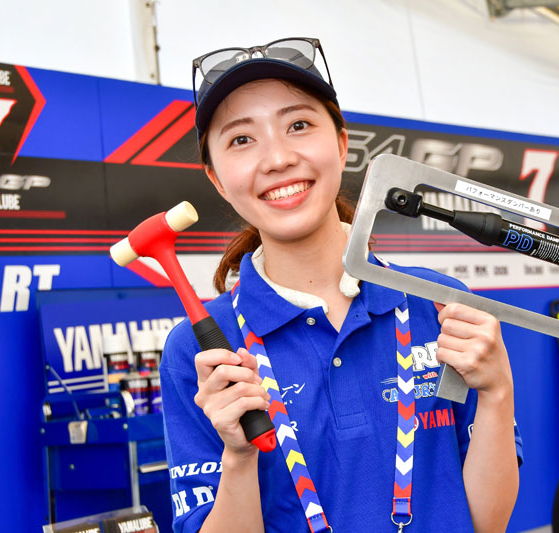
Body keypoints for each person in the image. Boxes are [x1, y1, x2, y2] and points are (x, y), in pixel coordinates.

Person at [160, 37, 522, 533]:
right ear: (217, 179)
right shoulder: (201, 351)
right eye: (241, 139)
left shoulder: (438, 305)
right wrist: (239, 457)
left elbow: (486, 521)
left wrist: (498, 391)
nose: (278, 158)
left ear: (342, 143)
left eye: (298, 125)